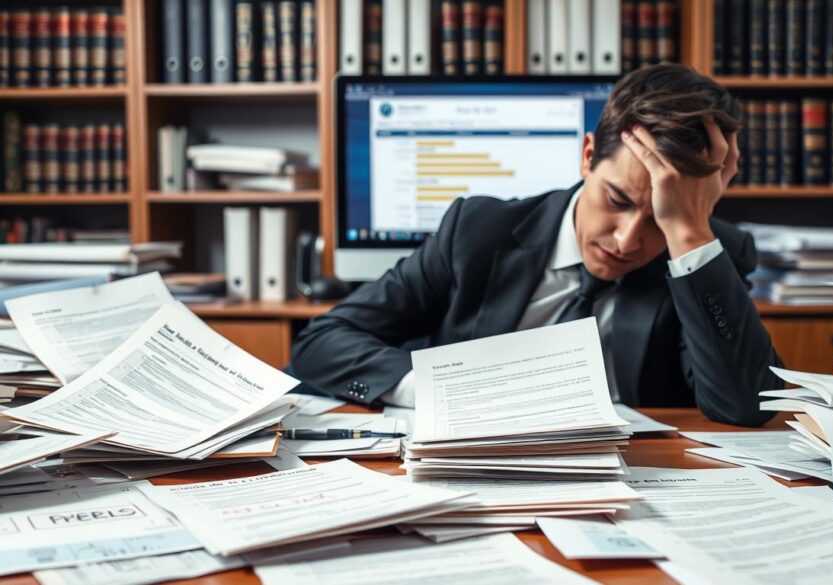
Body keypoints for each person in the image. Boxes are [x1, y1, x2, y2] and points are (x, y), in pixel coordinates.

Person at [292, 64, 784, 426]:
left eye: (661, 219)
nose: (627, 239)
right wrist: (446, 392)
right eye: (615, 200)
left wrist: (691, 236)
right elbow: (323, 342)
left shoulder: (706, 258)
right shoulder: (478, 231)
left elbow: (745, 405)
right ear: (588, 155)